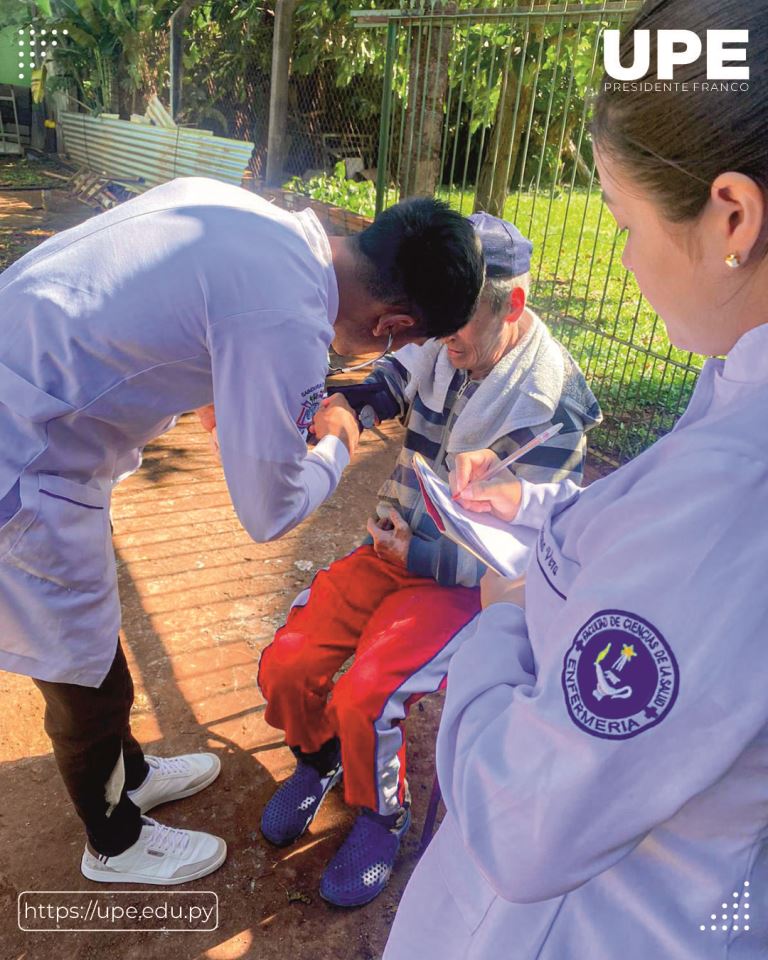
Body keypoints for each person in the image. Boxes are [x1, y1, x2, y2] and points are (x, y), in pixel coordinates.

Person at [383, 1, 768, 957]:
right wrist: (537, 506)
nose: (628, 260)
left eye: (622, 221)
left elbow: (525, 826)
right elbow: (651, 535)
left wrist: (503, 615)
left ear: (733, 215)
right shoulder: (735, 380)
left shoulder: (736, 493)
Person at [0, 178, 484, 886]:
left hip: (38, 395)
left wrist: (221, 393)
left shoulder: (262, 224)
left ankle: (128, 772)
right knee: (77, 663)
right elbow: (270, 514)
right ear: (393, 327)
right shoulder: (288, 319)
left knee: (92, 633)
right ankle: (114, 841)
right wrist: (340, 442)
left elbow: (176, 315)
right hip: (25, 449)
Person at [257, 213, 601, 907]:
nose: (441, 346)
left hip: (466, 579)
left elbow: (525, 554)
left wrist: (422, 551)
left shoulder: (553, 403)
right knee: (289, 659)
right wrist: (343, 408)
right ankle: (319, 758)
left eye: (455, 329)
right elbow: (385, 381)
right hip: (395, 541)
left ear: (512, 306)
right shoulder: (446, 339)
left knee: (369, 693)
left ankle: (383, 813)